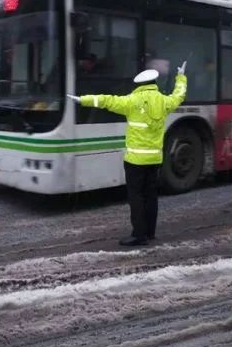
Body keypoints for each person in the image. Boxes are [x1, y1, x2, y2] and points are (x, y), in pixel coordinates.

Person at [67, 63, 187, 246]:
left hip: (135, 160)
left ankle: (139, 235)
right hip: (155, 158)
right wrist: (181, 77)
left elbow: (106, 100)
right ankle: (150, 232)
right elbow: (179, 96)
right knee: (151, 195)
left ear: (139, 85)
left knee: (136, 196)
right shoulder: (164, 101)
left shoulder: (131, 101)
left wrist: (82, 100)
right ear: (154, 82)